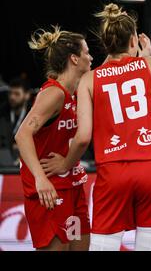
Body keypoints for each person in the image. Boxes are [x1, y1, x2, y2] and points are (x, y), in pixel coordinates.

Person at [40, 3, 151, 251]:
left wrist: (65, 163)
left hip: (113, 171)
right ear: (133, 41)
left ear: (105, 45)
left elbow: (83, 137)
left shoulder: (90, 79)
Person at [14, 26, 92, 250]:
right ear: (75, 59)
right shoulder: (54, 93)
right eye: (87, 52)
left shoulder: (79, 91)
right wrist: (41, 179)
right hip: (50, 190)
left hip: (73, 185)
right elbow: (22, 134)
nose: (91, 56)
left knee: (80, 247)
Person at [0, 77, 31, 166]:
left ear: (27, 95)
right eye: (10, 93)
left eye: (17, 94)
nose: (12, 97)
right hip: (4, 158)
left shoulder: (34, 113)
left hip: (28, 158)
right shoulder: (2, 112)